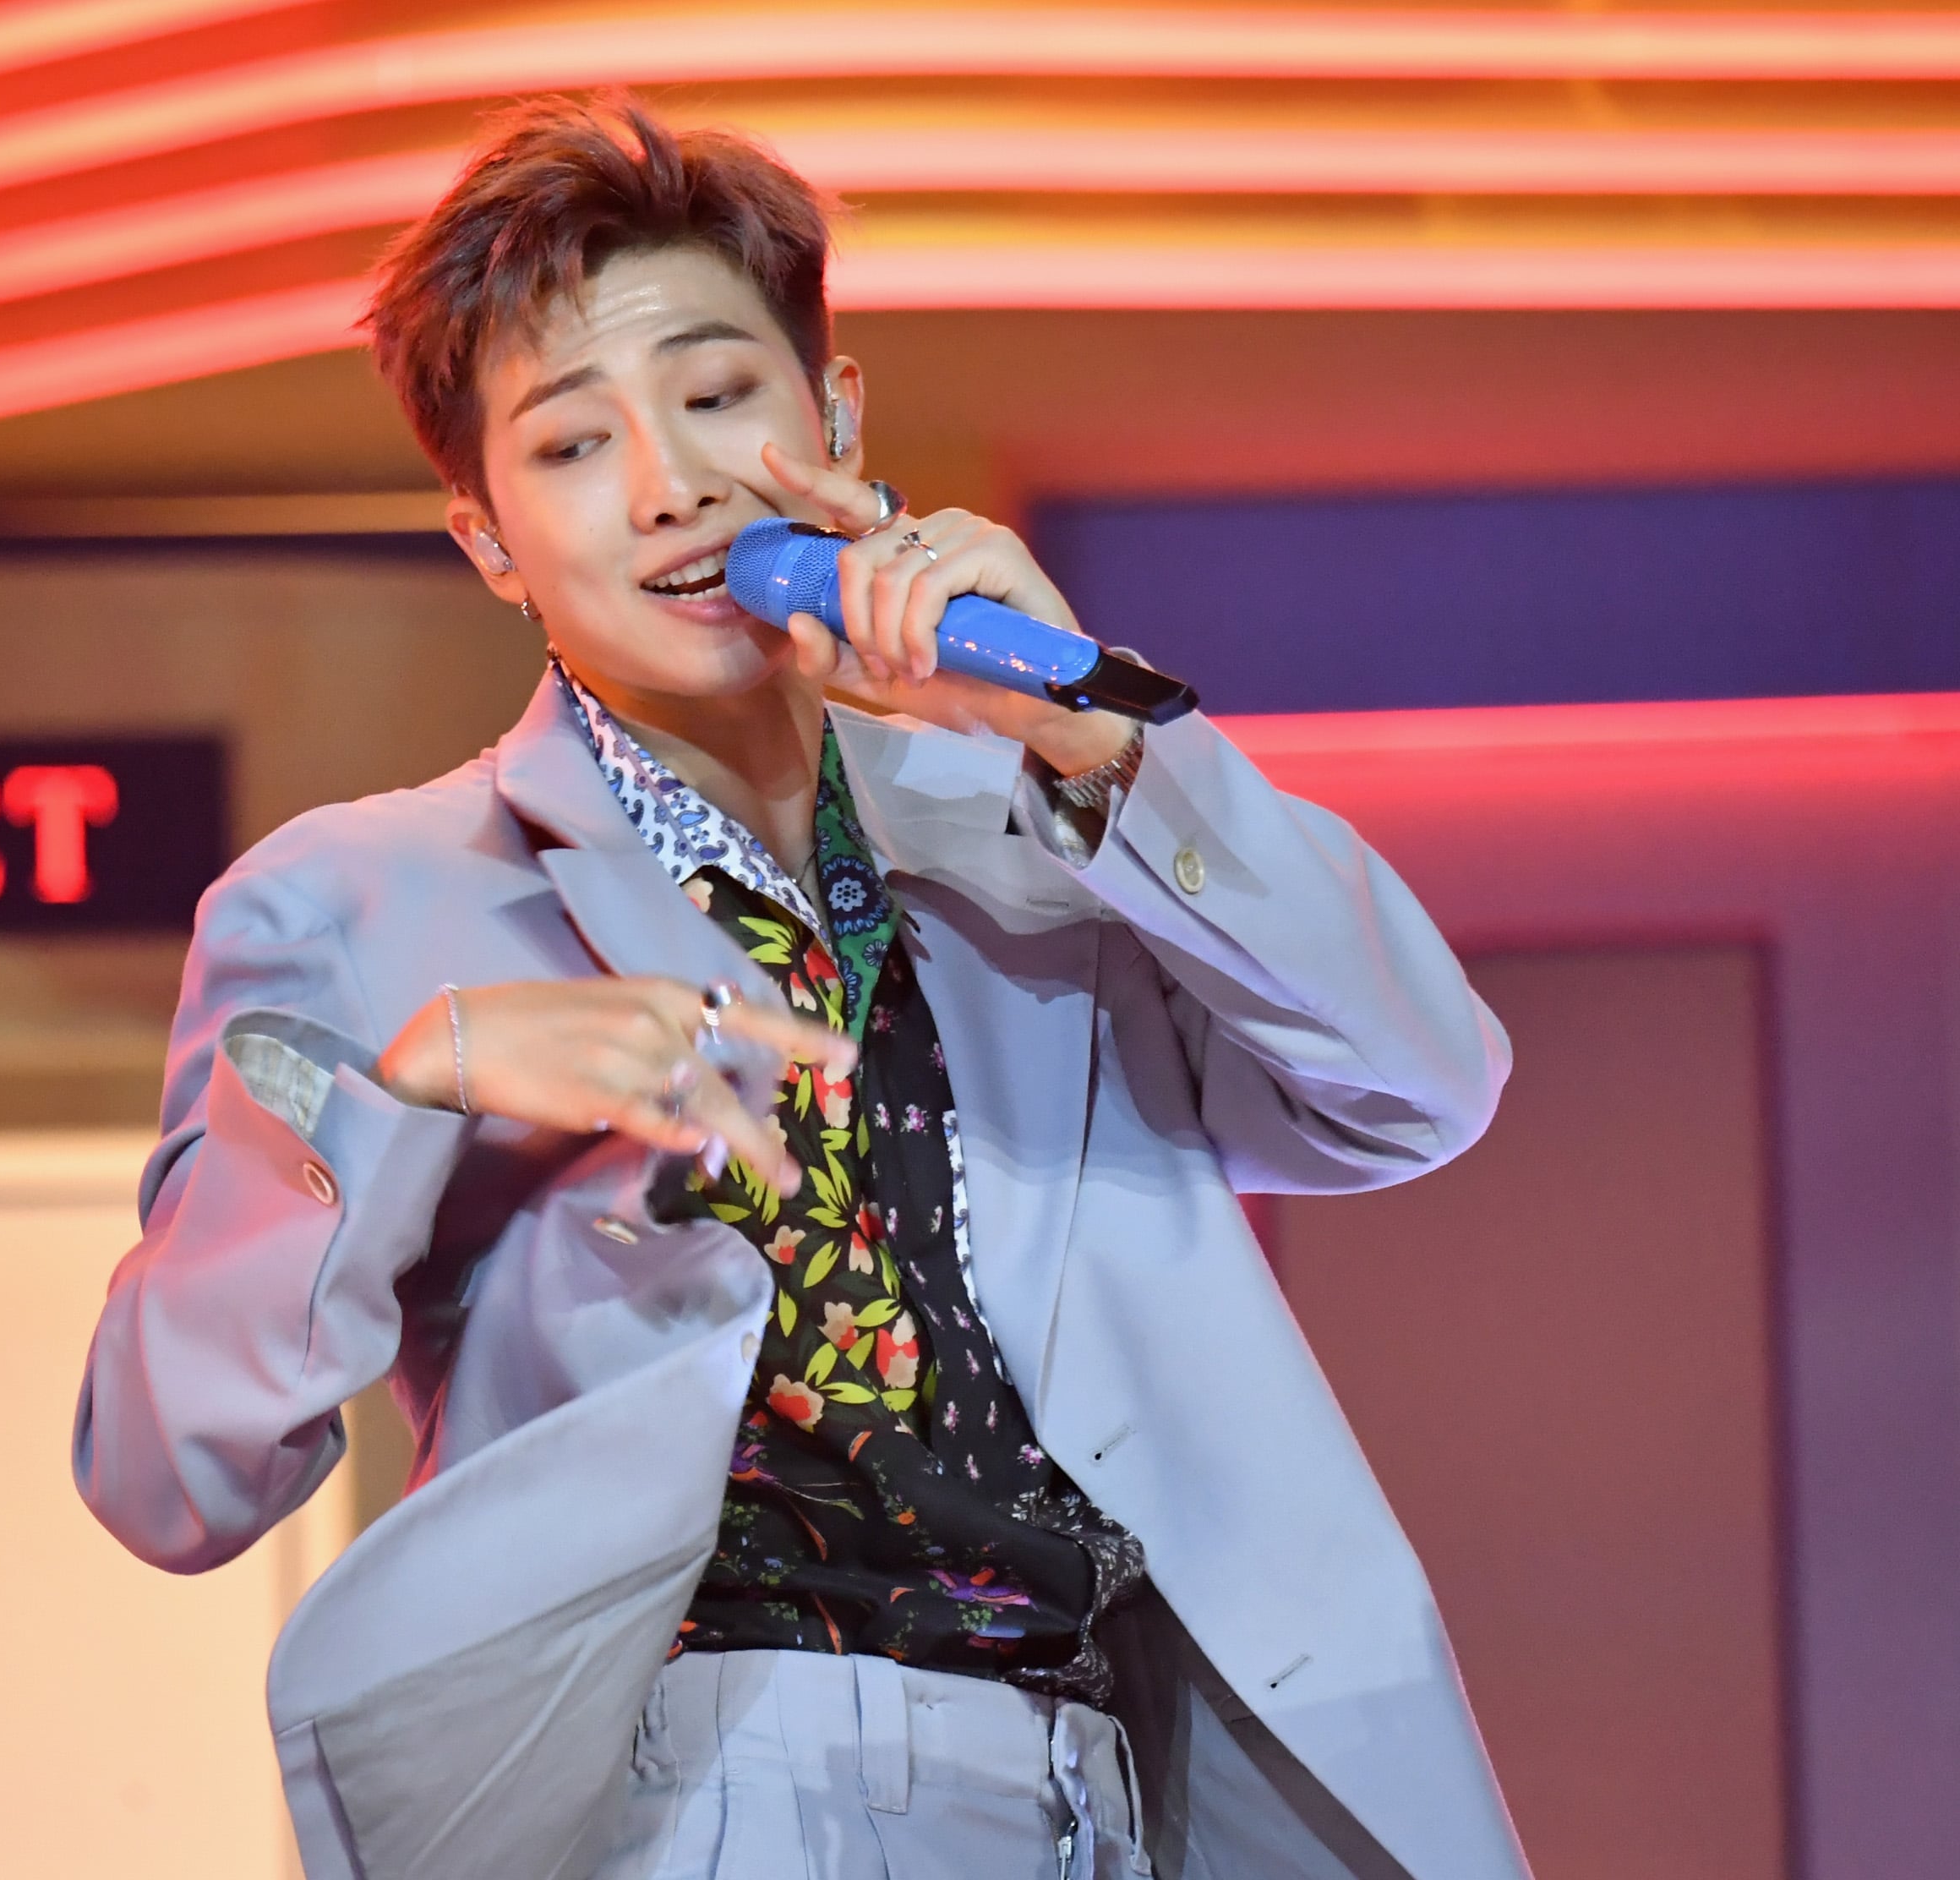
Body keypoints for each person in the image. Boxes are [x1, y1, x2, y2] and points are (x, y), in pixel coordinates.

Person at [74, 96, 1526, 1880]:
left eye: (713, 394)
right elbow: (167, 1474)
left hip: (1117, 1788)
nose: (669, 486)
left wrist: (1092, 742)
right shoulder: (362, 897)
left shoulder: (1039, 832)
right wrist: (414, 1079)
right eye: (572, 443)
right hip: (705, 1788)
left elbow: (1417, 1087)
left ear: (833, 419)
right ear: (487, 540)